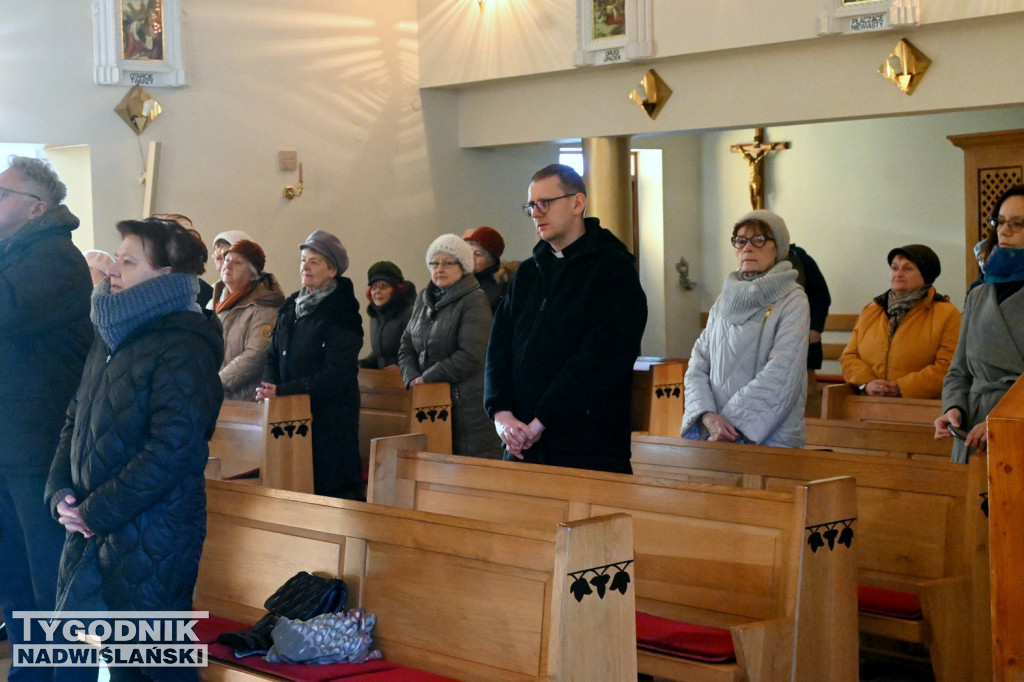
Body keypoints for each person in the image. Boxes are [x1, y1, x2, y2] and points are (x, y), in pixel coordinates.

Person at [45, 218, 223, 682]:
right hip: (97, 524)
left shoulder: (184, 344)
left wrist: (95, 511)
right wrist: (61, 490)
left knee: (157, 665)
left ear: (165, 274)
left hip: (155, 529)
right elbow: (75, 417)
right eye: (116, 258)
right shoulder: (111, 330)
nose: (113, 270)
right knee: (120, 662)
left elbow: (175, 449)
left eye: (129, 261)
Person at [484, 164, 647, 473]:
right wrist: (501, 413)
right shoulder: (529, 273)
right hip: (522, 444)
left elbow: (601, 358)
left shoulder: (612, 270)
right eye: (531, 205)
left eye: (545, 203)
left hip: (586, 447)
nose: (536, 213)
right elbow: (499, 344)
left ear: (577, 203)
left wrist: (543, 419)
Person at [0, 156, 93, 682]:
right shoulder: (13, 253)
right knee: (14, 577)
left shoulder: (55, 258)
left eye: (1, 193)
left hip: (38, 449)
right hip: (6, 445)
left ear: (36, 208)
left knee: (50, 578)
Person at [681, 209, 810, 448]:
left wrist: (729, 425)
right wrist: (707, 416)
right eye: (741, 240)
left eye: (759, 239)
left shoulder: (793, 300)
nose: (748, 248)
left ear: (778, 248)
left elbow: (782, 373)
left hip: (770, 439)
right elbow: (698, 364)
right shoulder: (724, 300)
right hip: (716, 434)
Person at [257, 230, 363, 499]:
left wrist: (284, 391)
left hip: (329, 422)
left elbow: (338, 373)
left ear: (332, 270)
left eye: (314, 261)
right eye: (303, 259)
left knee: (326, 493)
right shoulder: (292, 303)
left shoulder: (342, 310)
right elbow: (272, 353)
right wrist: (270, 386)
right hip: (289, 418)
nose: (305, 266)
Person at [936, 185, 1024, 462]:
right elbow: (958, 371)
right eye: (1000, 221)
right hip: (972, 430)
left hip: (1016, 427)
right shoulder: (979, 294)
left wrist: (1004, 419)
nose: (1004, 230)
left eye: (1017, 224)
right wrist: (953, 409)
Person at [399, 235, 501, 459]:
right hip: (430, 405)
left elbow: (471, 355)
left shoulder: (474, 300)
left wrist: (426, 378)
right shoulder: (422, 300)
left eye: (448, 263)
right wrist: (411, 377)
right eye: (434, 263)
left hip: (467, 410)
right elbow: (406, 345)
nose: (439, 268)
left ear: (463, 266)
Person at [840, 244, 961, 399]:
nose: (898, 274)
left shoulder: (947, 314)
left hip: (921, 409)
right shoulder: (871, 311)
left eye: (907, 268)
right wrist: (866, 382)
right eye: (894, 268)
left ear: (926, 275)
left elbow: (948, 367)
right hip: (869, 404)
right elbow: (849, 356)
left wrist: (902, 387)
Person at [214, 239, 286, 401]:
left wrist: (216, 382)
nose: (228, 265)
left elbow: (255, 355)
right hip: (216, 396)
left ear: (253, 275)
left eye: (237, 262)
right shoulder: (218, 301)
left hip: (244, 400)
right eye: (227, 259)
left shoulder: (264, 306)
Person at [786, 242, 831, 415]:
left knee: (807, 397)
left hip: (802, 339)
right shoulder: (754, 262)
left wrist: (815, 328)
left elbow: (821, 295)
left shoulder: (800, 259)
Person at [358, 261, 416, 369]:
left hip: (408, 380)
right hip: (386, 381)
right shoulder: (376, 317)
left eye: (383, 287)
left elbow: (422, 353)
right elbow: (380, 355)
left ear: (397, 289)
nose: (377, 291)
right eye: (374, 287)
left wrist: (401, 367)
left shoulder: (410, 315)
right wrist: (361, 364)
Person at [462, 226, 510, 312]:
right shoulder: (460, 283)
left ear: (491, 262)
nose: (471, 257)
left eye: (478, 254)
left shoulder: (496, 293)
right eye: (469, 252)